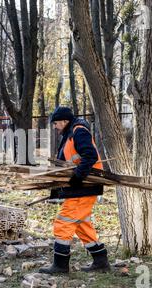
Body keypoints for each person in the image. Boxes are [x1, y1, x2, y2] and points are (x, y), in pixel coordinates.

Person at [39, 107, 110, 274]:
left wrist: (77, 178)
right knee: (81, 225)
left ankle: (60, 265)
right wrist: (57, 190)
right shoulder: (69, 134)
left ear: (64, 121)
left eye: (56, 123)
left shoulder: (79, 132)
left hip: (84, 188)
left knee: (63, 223)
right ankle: (100, 260)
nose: (55, 127)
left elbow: (90, 156)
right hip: (80, 188)